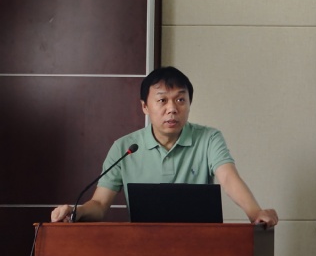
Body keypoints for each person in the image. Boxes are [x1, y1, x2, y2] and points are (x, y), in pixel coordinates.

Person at [51, 66, 278, 227]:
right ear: (145, 107)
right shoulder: (124, 147)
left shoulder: (209, 138)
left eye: (180, 100)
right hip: (143, 247)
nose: (172, 109)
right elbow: (100, 204)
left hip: (200, 246)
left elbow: (228, 178)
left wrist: (255, 213)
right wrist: (76, 211)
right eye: (162, 100)